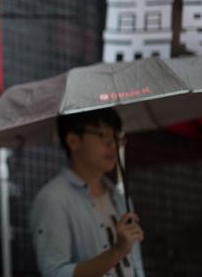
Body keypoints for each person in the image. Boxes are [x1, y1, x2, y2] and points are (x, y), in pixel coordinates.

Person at [29, 108, 145, 277]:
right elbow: (55, 273)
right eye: (103, 135)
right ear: (73, 141)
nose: (112, 144)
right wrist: (117, 251)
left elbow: (136, 265)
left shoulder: (120, 198)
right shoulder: (53, 198)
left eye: (116, 135)